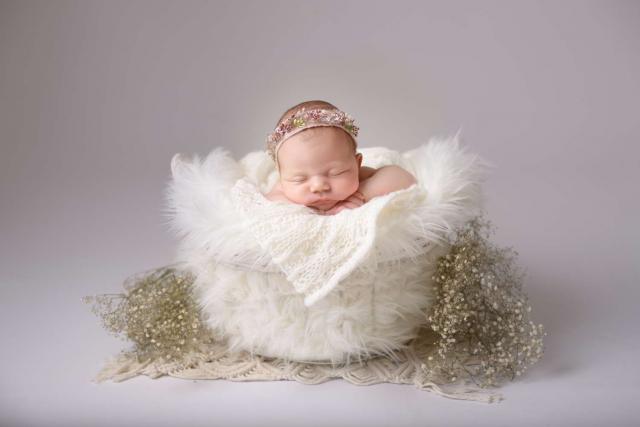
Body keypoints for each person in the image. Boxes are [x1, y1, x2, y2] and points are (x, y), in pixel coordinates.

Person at [264, 100, 417, 215]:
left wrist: (363, 194)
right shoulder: (283, 193)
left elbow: (404, 178)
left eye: (336, 173)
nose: (318, 186)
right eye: (300, 179)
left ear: (357, 165)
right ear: (281, 175)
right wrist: (311, 214)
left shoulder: (359, 180)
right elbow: (269, 206)